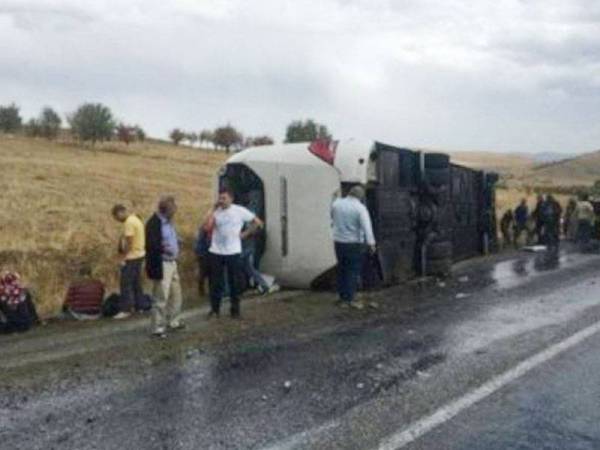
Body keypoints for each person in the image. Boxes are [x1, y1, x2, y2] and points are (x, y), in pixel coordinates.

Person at [204, 188, 264, 319]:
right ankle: (215, 309)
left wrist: (245, 234)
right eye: (220, 198)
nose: (221, 201)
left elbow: (258, 222)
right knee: (216, 282)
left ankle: (235, 309)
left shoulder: (239, 211)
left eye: (224, 198)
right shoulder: (216, 212)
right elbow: (207, 227)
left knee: (234, 282)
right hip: (216, 251)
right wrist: (211, 210)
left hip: (233, 251)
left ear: (231, 199)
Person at [331, 185, 376, 310]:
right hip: (354, 243)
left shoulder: (337, 204)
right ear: (360, 196)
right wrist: (371, 243)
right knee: (352, 271)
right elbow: (367, 227)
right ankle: (349, 299)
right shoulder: (360, 208)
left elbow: (332, 218)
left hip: (339, 242)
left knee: (341, 269)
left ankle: (342, 297)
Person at [145, 195, 184, 337]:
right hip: (161, 264)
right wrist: (164, 249)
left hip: (172, 263)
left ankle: (174, 321)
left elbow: (169, 237)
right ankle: (157, 328)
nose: (175, 212)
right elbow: (151, 244)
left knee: (176, 294)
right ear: (166, 210)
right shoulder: (154, 223)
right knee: (161, 296)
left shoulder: (168, 222)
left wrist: (177, 241)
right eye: (173, 209)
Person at [111, 204, 146, 320]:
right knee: (136, 282)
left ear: (120, 212)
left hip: (132, 256)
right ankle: (140, 306)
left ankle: (126, 309)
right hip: (140, 254)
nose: (117, 220)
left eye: (116, 217)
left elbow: (129, 242)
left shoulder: (129, 223)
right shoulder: (136, 219)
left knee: (125, 283)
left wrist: (122, 257)